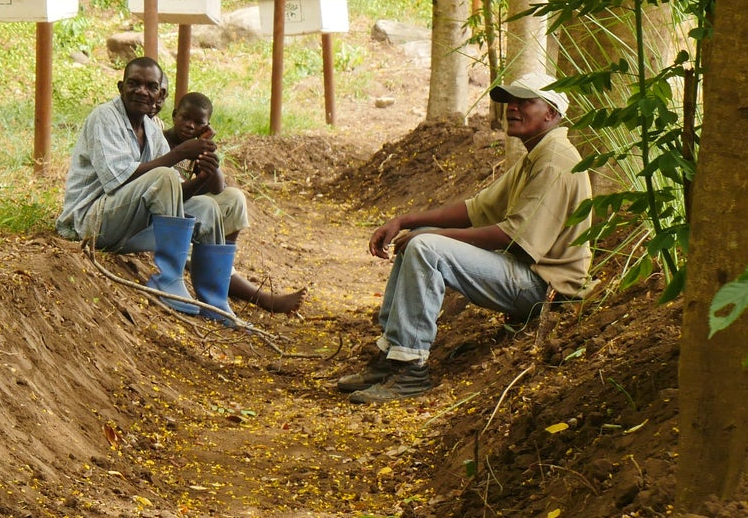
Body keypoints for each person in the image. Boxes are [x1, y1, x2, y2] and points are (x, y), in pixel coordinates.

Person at [338, 74, 592, 403]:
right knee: (419, 239)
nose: (512, 107)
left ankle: (412, 369)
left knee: (426, 247)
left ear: (552, 114)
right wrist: (407, 220)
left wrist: (431, 235)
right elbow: (477, 209)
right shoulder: (537, 153)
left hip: (545, 288)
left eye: (525, 101)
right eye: (510, 100)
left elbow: (510, 235)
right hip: (525, 274)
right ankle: (393, 357)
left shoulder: (555, 161)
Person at [58, 57, 250, 322]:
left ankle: (214, 299)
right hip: (91, 223)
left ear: (160, 94)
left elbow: (168, 195)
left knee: (205, 206)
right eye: (133, 84)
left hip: (128, 226)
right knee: (161, 174)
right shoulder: (104, 117)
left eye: (150, 86)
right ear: (120, 87)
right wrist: (180, 152)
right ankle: (167, 278)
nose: (141, 91)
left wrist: (201, 178)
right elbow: (118, 180)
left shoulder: (150, 129)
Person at [163, 91, 306, 315]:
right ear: (174, 115)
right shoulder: (161, 140)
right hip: (165, 213)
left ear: (206, 125)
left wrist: (205, 147)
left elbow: (218, 187)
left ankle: (222, 272)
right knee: (207, 211)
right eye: (185, 118)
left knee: (235, 198)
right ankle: (260, 298)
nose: (190, 125)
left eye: (198, 122)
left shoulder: (198, 145)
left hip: (187, 207)